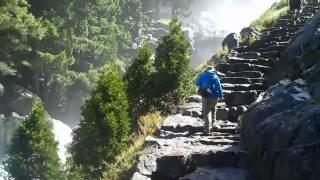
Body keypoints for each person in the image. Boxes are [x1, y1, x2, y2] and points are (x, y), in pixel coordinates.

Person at [195, 64, 224, 135]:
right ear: (213, 70)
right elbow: (219, 87)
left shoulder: (203, 75)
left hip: (205, 97)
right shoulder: (215, 77)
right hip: (214, 97)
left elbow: (197, 83)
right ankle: (213, 125)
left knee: (207, 113)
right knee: (213, 109)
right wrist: (221, 95)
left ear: (206, 70)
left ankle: (207, 130)